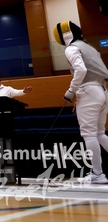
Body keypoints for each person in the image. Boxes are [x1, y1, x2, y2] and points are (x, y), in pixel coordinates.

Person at [54, 20, 108, 184]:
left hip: (89, 90)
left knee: (89, 134)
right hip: (102, 91)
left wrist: (72, 91)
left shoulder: (71, 48)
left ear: (65, 34)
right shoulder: (89, 47)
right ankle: (97, 173)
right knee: (99, 134)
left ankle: (98, 174)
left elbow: (81, 69)